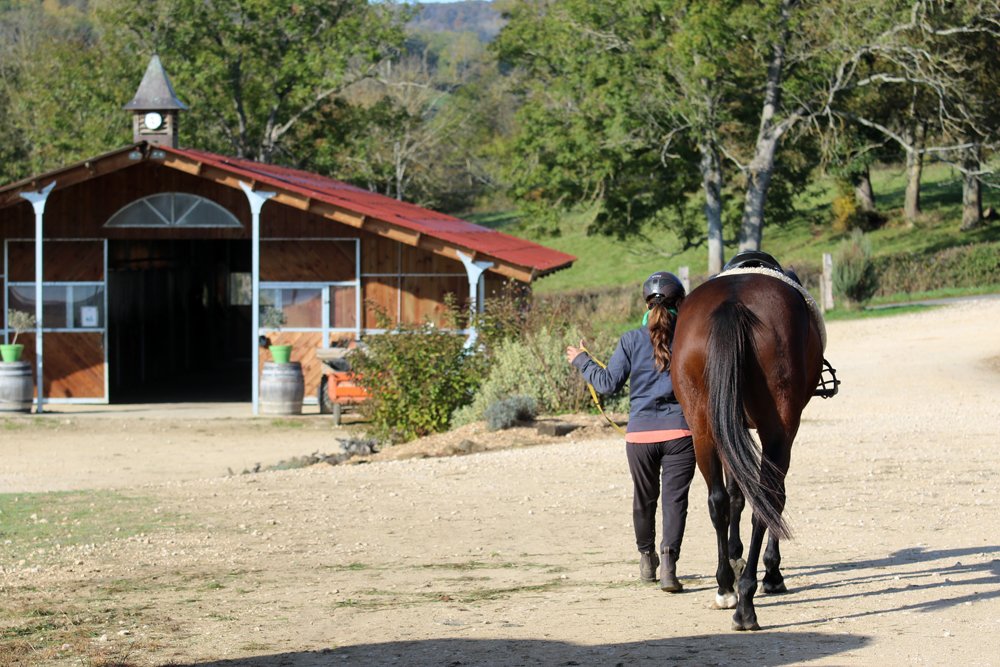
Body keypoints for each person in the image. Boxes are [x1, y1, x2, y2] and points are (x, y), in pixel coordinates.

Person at [565, 271, 696, 592]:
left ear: (646, 304)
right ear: (681, 303)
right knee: (675, 502)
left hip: (639, 437)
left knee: (644, 499)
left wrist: (582, 360)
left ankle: (646, 560)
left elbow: (607, 384)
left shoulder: (630, 340)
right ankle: (669, 568)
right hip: (681, 435)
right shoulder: (692, 337)